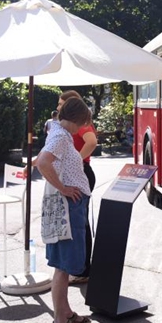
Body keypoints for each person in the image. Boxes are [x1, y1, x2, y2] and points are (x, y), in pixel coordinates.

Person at [36, 97, 94, 323]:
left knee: (63, 265)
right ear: (79, 120)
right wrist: (63, 188)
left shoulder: (57, 130)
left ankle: (65, 312)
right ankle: (60, 322)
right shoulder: (61, 136)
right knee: (63, 267)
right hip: (69, 207)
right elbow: (43, 162)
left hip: (71, 205)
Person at [58, 90, 97, 285]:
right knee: (80, 223)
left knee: (80, 224)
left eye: (61, 104)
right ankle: (82, 268)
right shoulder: (68, 126)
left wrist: (76, 161)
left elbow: (92, 142)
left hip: (82, 172)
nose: (58, 108)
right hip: (81, 172)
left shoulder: (80, 123)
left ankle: (83, 269)